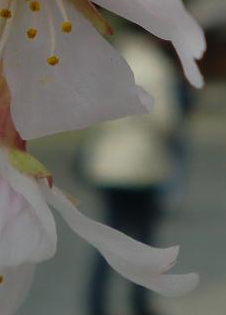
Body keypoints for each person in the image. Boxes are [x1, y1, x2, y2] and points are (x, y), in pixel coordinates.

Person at [84, 30, 181, 315]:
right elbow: (167, 119)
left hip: (108, 165)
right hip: (142, 166)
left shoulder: (110, 61)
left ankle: (96, 302)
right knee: (143, 240)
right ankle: (140, 303)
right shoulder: (156, 66)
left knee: (107, 239)